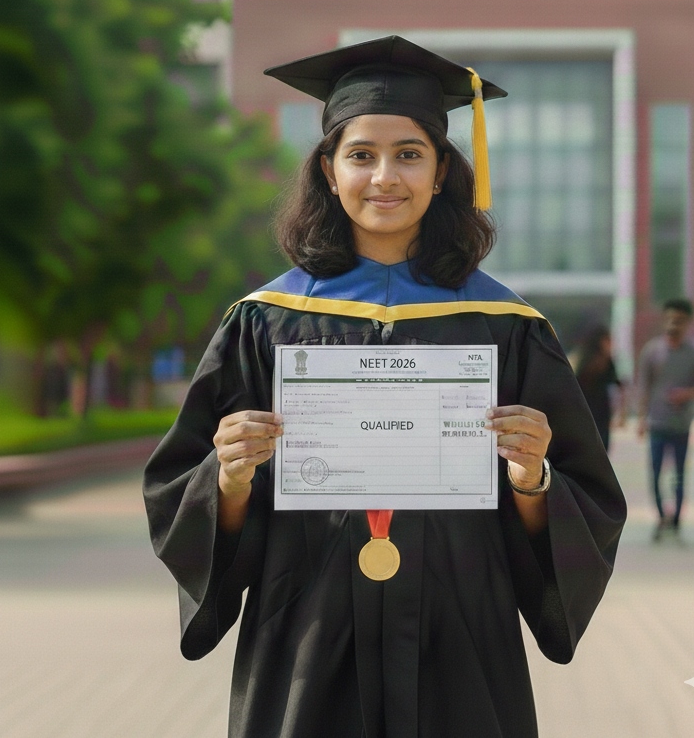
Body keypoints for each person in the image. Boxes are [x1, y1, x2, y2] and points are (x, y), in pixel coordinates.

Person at [143, 36, 626, 738]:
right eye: (361, 154)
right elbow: (178, 490)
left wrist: (532, 478)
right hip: (306, 635)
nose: (384, 176)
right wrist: (230, 477)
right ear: (329, 172)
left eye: (409, 153)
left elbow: (586, 504)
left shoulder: (507, 325)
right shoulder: (264, 321)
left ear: (440, 174)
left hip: (461, 639)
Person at [636, 298, 694, 540]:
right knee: (656, 473)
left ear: (688, 323)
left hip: (681, 424)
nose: (673, 324)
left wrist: (686, 394)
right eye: (670, 319)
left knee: (679, 474)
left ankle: (677, 520)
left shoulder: (691, 353)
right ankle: (661, 517)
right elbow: (644, 386)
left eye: (679, 321)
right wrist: (641, 418)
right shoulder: (652, 351)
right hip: (657, 423)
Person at [574, 324, 623, 450]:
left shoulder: (607, 361)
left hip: (601, 409)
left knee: (601, 444)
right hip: (588, 408)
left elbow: (615, 382)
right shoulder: (587, 360)